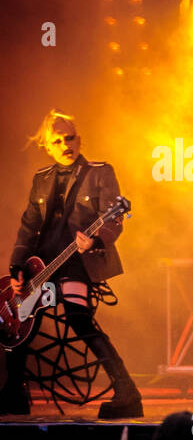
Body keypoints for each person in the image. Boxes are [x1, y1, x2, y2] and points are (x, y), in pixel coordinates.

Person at [1, 110, 141, 418]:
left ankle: (127, 391)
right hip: (40, 265)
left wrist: (97, 240)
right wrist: (16, 267)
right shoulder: (42, 179)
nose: (65, 144)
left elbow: (113, 218)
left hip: (77, 261)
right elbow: (28, 226)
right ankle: (13, 393)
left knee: (79, 318)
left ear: (79, 139)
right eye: (58, 140)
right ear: (47, 147)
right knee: (18, 326)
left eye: (70, 138)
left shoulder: (100, 172)